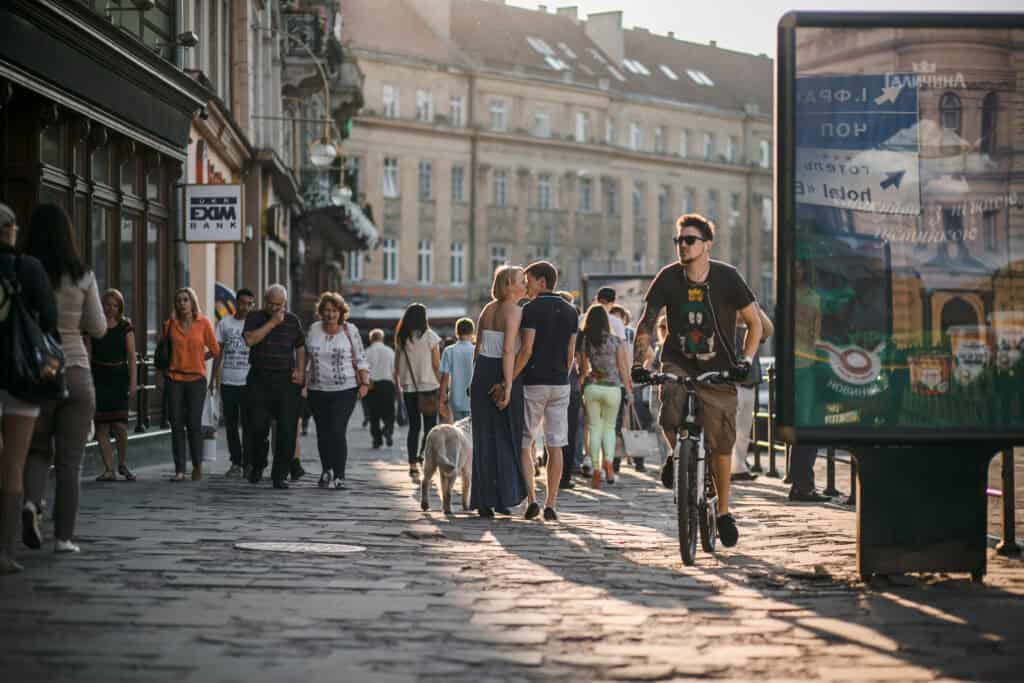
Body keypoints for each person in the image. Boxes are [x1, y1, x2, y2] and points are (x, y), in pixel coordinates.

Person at [633, 213, 762, 548]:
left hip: (719, 367)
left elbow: (754, 323)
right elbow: (647, 323)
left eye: (689, 240)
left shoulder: (727, 277)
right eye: (678, 241)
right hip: (678, 360)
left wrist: (745, 361)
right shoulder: (668, 278)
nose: (682, 246)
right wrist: (640, 363)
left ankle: (722, 512)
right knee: (670, 410)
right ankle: (679, 456)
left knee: (721, 441)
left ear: (707, 244)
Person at [20, 203, 106, 555]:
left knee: (37, 450)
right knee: (70, 462)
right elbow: (99, 327)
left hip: (39, 370)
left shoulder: (24, 272)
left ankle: (31, 504)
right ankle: (64, 538)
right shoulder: (82, 273)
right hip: (76, 369)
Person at [0, 203, 57, 573]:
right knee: (13, 465)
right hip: (21, 378)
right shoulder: (29, 268)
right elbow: (50, 321)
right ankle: (5, 553)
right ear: (9, 230)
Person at [510, 261, 578, 521]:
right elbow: (570, 352)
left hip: (534, 383)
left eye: (528, 280)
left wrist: (510, 379)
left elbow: (526, 350)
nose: (526, 285)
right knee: (556, 444)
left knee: (526, 442)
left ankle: (532, 499)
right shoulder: (571, 311)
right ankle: (552, 503)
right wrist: (563, 373)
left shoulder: (531, 309)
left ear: (541, 281)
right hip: (561, 383)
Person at [470, 265, 527, 517]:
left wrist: (474, 378)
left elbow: (478, 346)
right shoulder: (514, 311)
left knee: (483, 437)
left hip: (482, 369)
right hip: (499, 369)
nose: (524, 284)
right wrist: (508, 383)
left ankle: (483, 499)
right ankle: (505, 496)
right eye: (520, 281)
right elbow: (507, 350)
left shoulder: (487, 309)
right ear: (508, 285)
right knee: (505, 436)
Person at [304, 291, 370, 490]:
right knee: (323, 432)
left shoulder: (350, 330)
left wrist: (365, 383)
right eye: (326, 310)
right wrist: (303, 382)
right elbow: (305, 357)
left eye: (333, 311)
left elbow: (360, 357)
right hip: (317, 389)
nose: (330, 314)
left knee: (337, 430)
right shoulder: (314, 329)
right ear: (320, 312)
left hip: (345, 389)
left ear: (341, 312)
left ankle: (339, 475)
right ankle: (327, 471)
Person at [243, 284, 305, 489]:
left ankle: (281, 473)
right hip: (259, 379)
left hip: (286, 381)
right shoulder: (254, 318)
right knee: (257, 427)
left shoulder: (293, 321)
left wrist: (300, 370)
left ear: (285, 303)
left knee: (287, 429)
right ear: (264, 300)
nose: (275, 308)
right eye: (271, 303)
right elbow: (251, 340)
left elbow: (300, 346)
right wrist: (272, 322)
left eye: (279, 305)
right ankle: (258, 465)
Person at [164, 287, 219, 482]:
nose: (182, 303)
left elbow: (215, 349)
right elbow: (165, 352)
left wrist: (199, 358)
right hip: (174, 379)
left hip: (196, 380)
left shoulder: (203, 323)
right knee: (176, 424)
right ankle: (179, 470)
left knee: (194, 424)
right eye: (179, 300)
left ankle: (197, 465)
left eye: (186, 300)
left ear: (193, 302)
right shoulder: (170, 324)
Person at [578, 303, 634, 489]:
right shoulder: (615, 341)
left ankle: (595, 470)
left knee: (594, 428)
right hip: (612, 388)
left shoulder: (585, 340)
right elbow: (623, 368)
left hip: (593, 387)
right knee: (609, 428)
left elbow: (584, 369)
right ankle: (608, 463)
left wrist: (582, 381)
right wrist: (629, 390)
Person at [789, 261, 830, 503]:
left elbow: (817, 334)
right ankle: (801, 483)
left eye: (801, 266)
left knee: (805, 424)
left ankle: (801, 483)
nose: (797, 270)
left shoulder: (814, 298)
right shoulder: (805, 297)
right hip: (799, 365)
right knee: (804, 424)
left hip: (806, 364)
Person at [92, 288, 137, 482]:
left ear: (120, 307)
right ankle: (108, 468)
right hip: (99, 376)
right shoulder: (95, 326)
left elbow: (131, 355)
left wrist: (133, 382)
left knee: (119, 425)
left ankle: (122, 463)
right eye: (107, 305)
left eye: (114, 305)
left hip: (118, 377)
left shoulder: (125, 326)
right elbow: (87, 351)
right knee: (101, 426)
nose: (110, 308)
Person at [211, 288, 255, 478]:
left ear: (252, 305)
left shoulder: (255, 324)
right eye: (242, 302)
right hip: (229, 381)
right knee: (230, 424)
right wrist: (213, 379)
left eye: (249, 303)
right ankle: (235, 462)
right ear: (236, 303)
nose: (245, 307)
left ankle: (248, 462)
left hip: (249, 383)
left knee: (248, 424)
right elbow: (217, 353)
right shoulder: (225, 323)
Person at [394, 303, 442, 479]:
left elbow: (397, 368)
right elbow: (437, 365)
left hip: (409, 389)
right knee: (430, 427)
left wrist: (400, 385)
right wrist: (443, 386)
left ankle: (412, 464)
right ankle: (424, 455)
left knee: (413, 427)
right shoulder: (431, 337)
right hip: (429, 387)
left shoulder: (401, 338)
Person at [731, 306, 774, 482]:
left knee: (743, 431)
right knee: (729, 429)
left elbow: (768, 330)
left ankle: (738, 467)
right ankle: (727, 467)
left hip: (749, 384)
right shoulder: (726, 326)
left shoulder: (754, 328)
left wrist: (755, 307)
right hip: (730, 385)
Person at [365, 329, 396, 448]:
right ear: (382, 338)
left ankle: (377, 440)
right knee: (390, 412)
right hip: (387, 384)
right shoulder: (389, 351)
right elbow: (394, 370)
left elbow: (364, 370)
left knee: (374, 415)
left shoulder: (367, 352)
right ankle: (388, 429)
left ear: (371, 339)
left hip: (372, 386)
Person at [439, 317, 475, 422]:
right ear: (472, 332)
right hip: (473, 398)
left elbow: (445, 378)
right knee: (472, 431)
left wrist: (441, 400)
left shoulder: (448, 350)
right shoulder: (476, 350)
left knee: (458, 430)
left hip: (455, 398)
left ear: (456, 332)